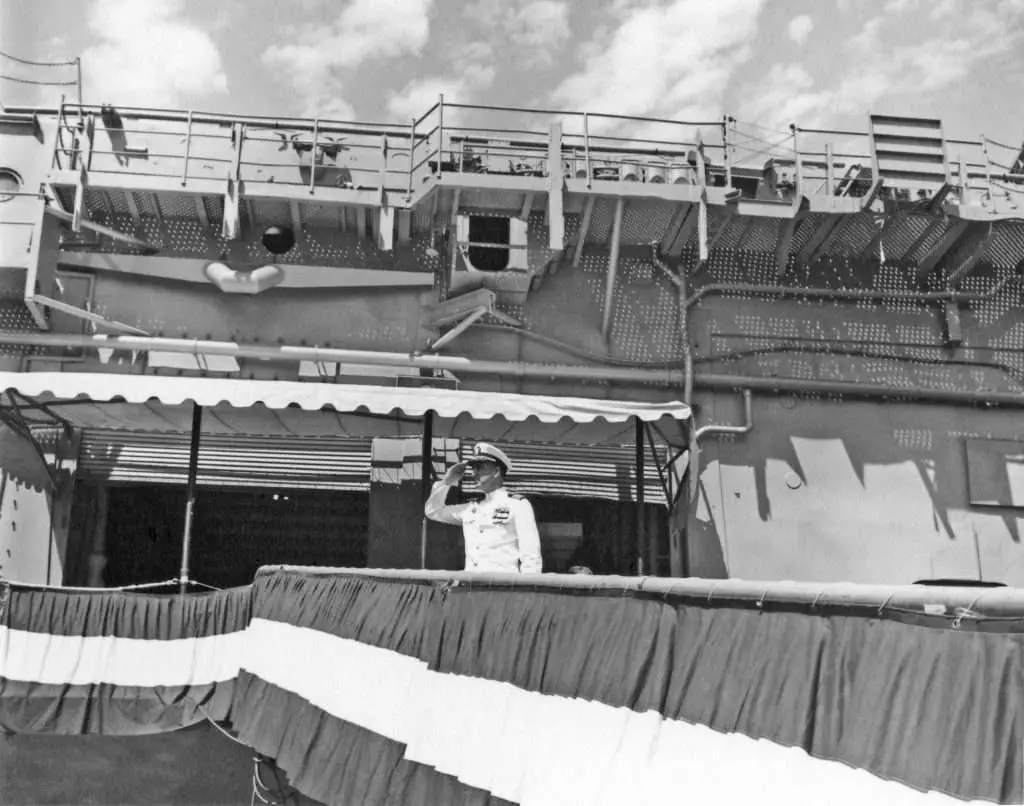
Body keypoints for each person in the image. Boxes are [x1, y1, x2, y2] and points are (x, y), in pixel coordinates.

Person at [424, 442, 542, 574]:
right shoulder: (470, 508)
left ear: (496, 472)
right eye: (473, 468)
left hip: (503, 586)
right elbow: (433, 511)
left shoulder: (518, 504)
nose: (474, 473)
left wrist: (527, 589)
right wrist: (447, 482)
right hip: (470, 585)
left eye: (480, 467)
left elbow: (531, 556)